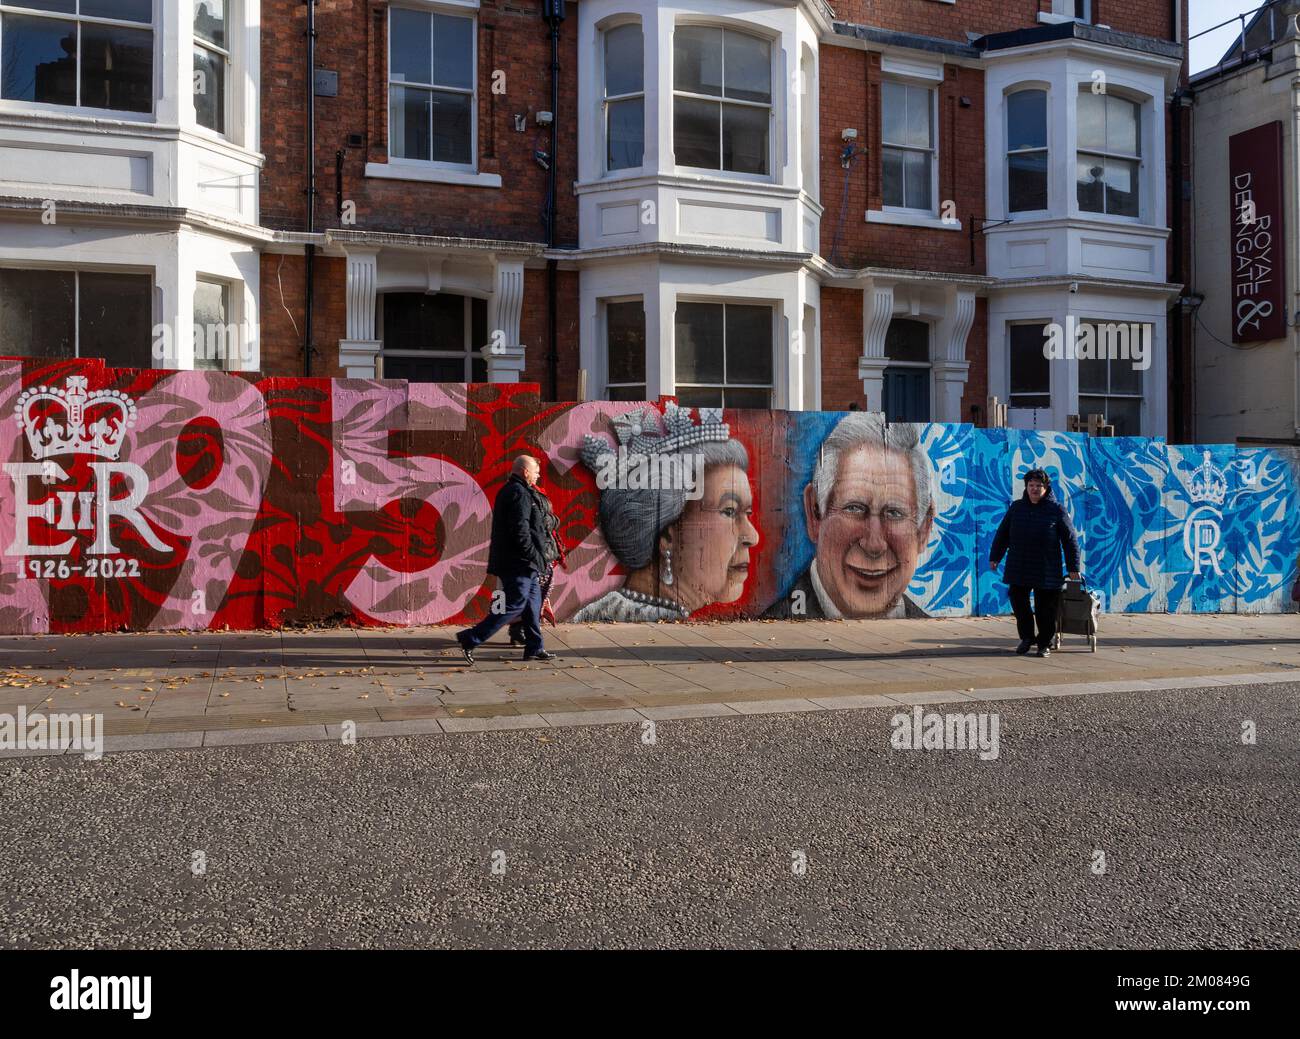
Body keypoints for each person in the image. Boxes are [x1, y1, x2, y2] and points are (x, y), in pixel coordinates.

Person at [573, 403, 758, 622]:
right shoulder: (624, 622)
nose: (752, 537)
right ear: (667, 535)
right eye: (729, 511)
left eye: (748, 513)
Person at [766, 412, 934, 619]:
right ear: (815, 513)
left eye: (894, 513)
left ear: (924, 529)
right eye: (854, 508)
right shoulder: (780, 617)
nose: (874, 544)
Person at [455, 455, 557, 663]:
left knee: (532, 604)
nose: (538, 475)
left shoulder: (521, 491)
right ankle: (470, 638)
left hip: (525, 562)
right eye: (536, 471)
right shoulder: (518, 493)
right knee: (516, 603)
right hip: (517, 562)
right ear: (525, 471)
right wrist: (535, 555)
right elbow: (520, 531)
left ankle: (534, 647)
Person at [989, 468, 1082, 658]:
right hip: (1019, 565)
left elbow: (1070, 540)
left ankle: (1044, 643)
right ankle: (1026, 638)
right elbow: (1003, 534)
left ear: (1046, 488)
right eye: (1031, 485)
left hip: (1046, 568)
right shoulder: (1016, 508)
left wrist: (1073, 567)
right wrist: (995, 556)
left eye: (1038, 485)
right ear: (1026, 487)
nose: (1034, 489)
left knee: (1045, 609)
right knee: (1019, 602)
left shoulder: (1056, 510)